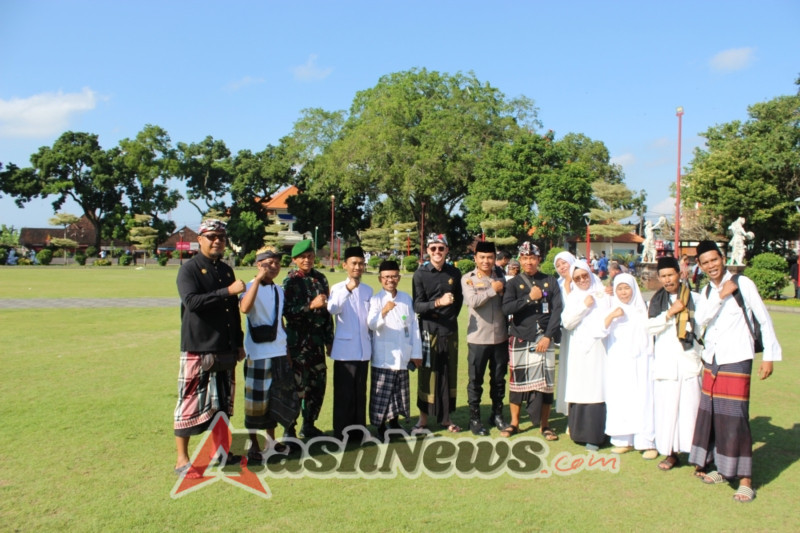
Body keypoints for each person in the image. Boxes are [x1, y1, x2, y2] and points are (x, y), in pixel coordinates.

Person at [690, 240, 782, 503]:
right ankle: (722, 469)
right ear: (700, 265)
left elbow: (763, 318)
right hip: (713, 359)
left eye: (714, 260)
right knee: (715, 415)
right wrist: (720, 296)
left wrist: (770, 357)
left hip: (737, 358)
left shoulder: (743, 284)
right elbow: (701, 320)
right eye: (705, 262)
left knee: (737, 417)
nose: (711, 266)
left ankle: (745, 480)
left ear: (722, 258)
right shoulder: (708, 291)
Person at [173, 219, 246, 476]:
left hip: (224, 347)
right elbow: (192, 302)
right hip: (198, 346)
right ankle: (182, 459)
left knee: (223, 403)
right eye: (212, 236)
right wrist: (226, 291)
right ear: (200, 239)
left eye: (222, 238)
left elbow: (233, 312)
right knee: (190, 402)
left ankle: (222, 452)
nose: (217, 241)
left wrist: (238, 341)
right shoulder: (189, 270)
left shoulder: (226, 270)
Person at [239, 246, 298, 461]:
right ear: (258, 264)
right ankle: (254, 445)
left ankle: (271, 442)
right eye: (269, 263)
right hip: (257, 354)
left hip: (278, 352)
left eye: (276, 263)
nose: (274, 267)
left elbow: (279, 321)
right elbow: (245, 308)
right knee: (255, 404)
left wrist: (287, 350)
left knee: (275, 400)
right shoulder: (247, 286)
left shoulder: (278, 291)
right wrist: (257, 280)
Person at [501, 242, 563, 439]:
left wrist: (547, 336)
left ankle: (545, 426)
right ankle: (514, 423)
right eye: (525, 258)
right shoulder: (512, 283)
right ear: (520, 259)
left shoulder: (550, 281)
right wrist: (528, 298)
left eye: (532, 258)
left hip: (544, 338)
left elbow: (558, 310)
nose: (529, 262)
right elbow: (506, 308)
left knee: (546, 385)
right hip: (521, 336)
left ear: (538, 259)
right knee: (517, 384)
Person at [647, 256, 702, 470]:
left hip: (688, 362)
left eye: (671, 274)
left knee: (692, 411)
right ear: (659, 278)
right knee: (668, 411)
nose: (667, 279)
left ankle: (698, 456)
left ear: (679, 274)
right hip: (666, 365)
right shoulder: (656, 301)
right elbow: (650, 328)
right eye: (663, 276)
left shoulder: (695, 297)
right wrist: (670, 313)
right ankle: (671, 453)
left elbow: (703, 326)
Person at [282, 239, 334, 439]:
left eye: (310, 256)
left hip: (317, 343)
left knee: (317, 386)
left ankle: (309, 424)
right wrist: (310, 306)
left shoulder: (321, 279)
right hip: (298, 344)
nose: (307, 260)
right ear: (295, 260)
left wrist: (329, 339)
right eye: (302, 257)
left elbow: (327, 312)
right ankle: (290, 429)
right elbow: (287, 312)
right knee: (297, 387)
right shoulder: (290, 282)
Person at [412, 233, 463, 433]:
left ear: (447, 250)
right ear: (427, 251)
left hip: (449, 330)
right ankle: (423, 419)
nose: (437, 252)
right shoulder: (420, 274)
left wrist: (448, 316)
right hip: (428, 330)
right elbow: (417, 305)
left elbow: (458, 302)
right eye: (433, 248)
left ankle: (446, 418)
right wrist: (437, 304)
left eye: (441, 248)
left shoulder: (454, 273)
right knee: (427, 374)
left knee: (448, 373)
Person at [603, 273, 656, 458]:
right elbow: (599, 330)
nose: (624, 293)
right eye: (620, 289)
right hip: (619, 363)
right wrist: (612, 315)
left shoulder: (643, 310)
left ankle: (646, 441)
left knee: (644, 398)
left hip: (642, 362)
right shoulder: (612, 308)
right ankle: (622, 439)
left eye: (627, 288)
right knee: (621, 399)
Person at [367, 261, 422, 440]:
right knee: (382, 392)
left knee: (399, 392)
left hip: (403, 354)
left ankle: (395, 423)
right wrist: (383, 311)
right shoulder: (376, 299)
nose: (390, 280)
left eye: (393, 276)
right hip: (384, 355)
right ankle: (381, 426)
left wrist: (416, 354)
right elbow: (372, 324)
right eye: (386, 277)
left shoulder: (406, 298)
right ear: (380, 279)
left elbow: (413, 327)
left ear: (398, 277)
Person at [461, 241, 510, 435]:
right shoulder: (468, 279)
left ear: (494, 258)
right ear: (475, 258)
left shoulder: (502, 277)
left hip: (499, 337)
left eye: (490, 257)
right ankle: (474, 419)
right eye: (482, 257)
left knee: (498, 380)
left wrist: (500, 287)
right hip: (478, 339)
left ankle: (497, 415)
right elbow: (473, 301)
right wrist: (492, 290)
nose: (486, 260)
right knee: (475, 381)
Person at [562, 260, 610, 451]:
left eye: (584, 276)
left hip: (600, 350)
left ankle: (596, 435)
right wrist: (584, 306)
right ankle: (578, 432)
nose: (582, 280)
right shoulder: (573, 297)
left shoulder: (603, 293)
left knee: (597, 389)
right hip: (579, 351)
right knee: (580, 388)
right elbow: (567, 322)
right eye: (577, 278)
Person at [327, 246, 373, 440]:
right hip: (345, 351)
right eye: (354, 263)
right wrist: (347, 289)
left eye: (361, 263)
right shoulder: (338, 288)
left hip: (363, 350)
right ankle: (341, 434)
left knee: (360, 394)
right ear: (345, 265)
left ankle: (358, 432)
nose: (357, 267)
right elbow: (332, 309)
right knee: (344, 395)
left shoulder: (368, 290)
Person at [553, 251, 576, 418]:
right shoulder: (558, 284)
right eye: (558, 265)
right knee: (569, 369)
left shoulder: (586, 280)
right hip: (568, 333)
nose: (562, 268)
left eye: (564, 263)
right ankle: (568, 410)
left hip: (586, 333)